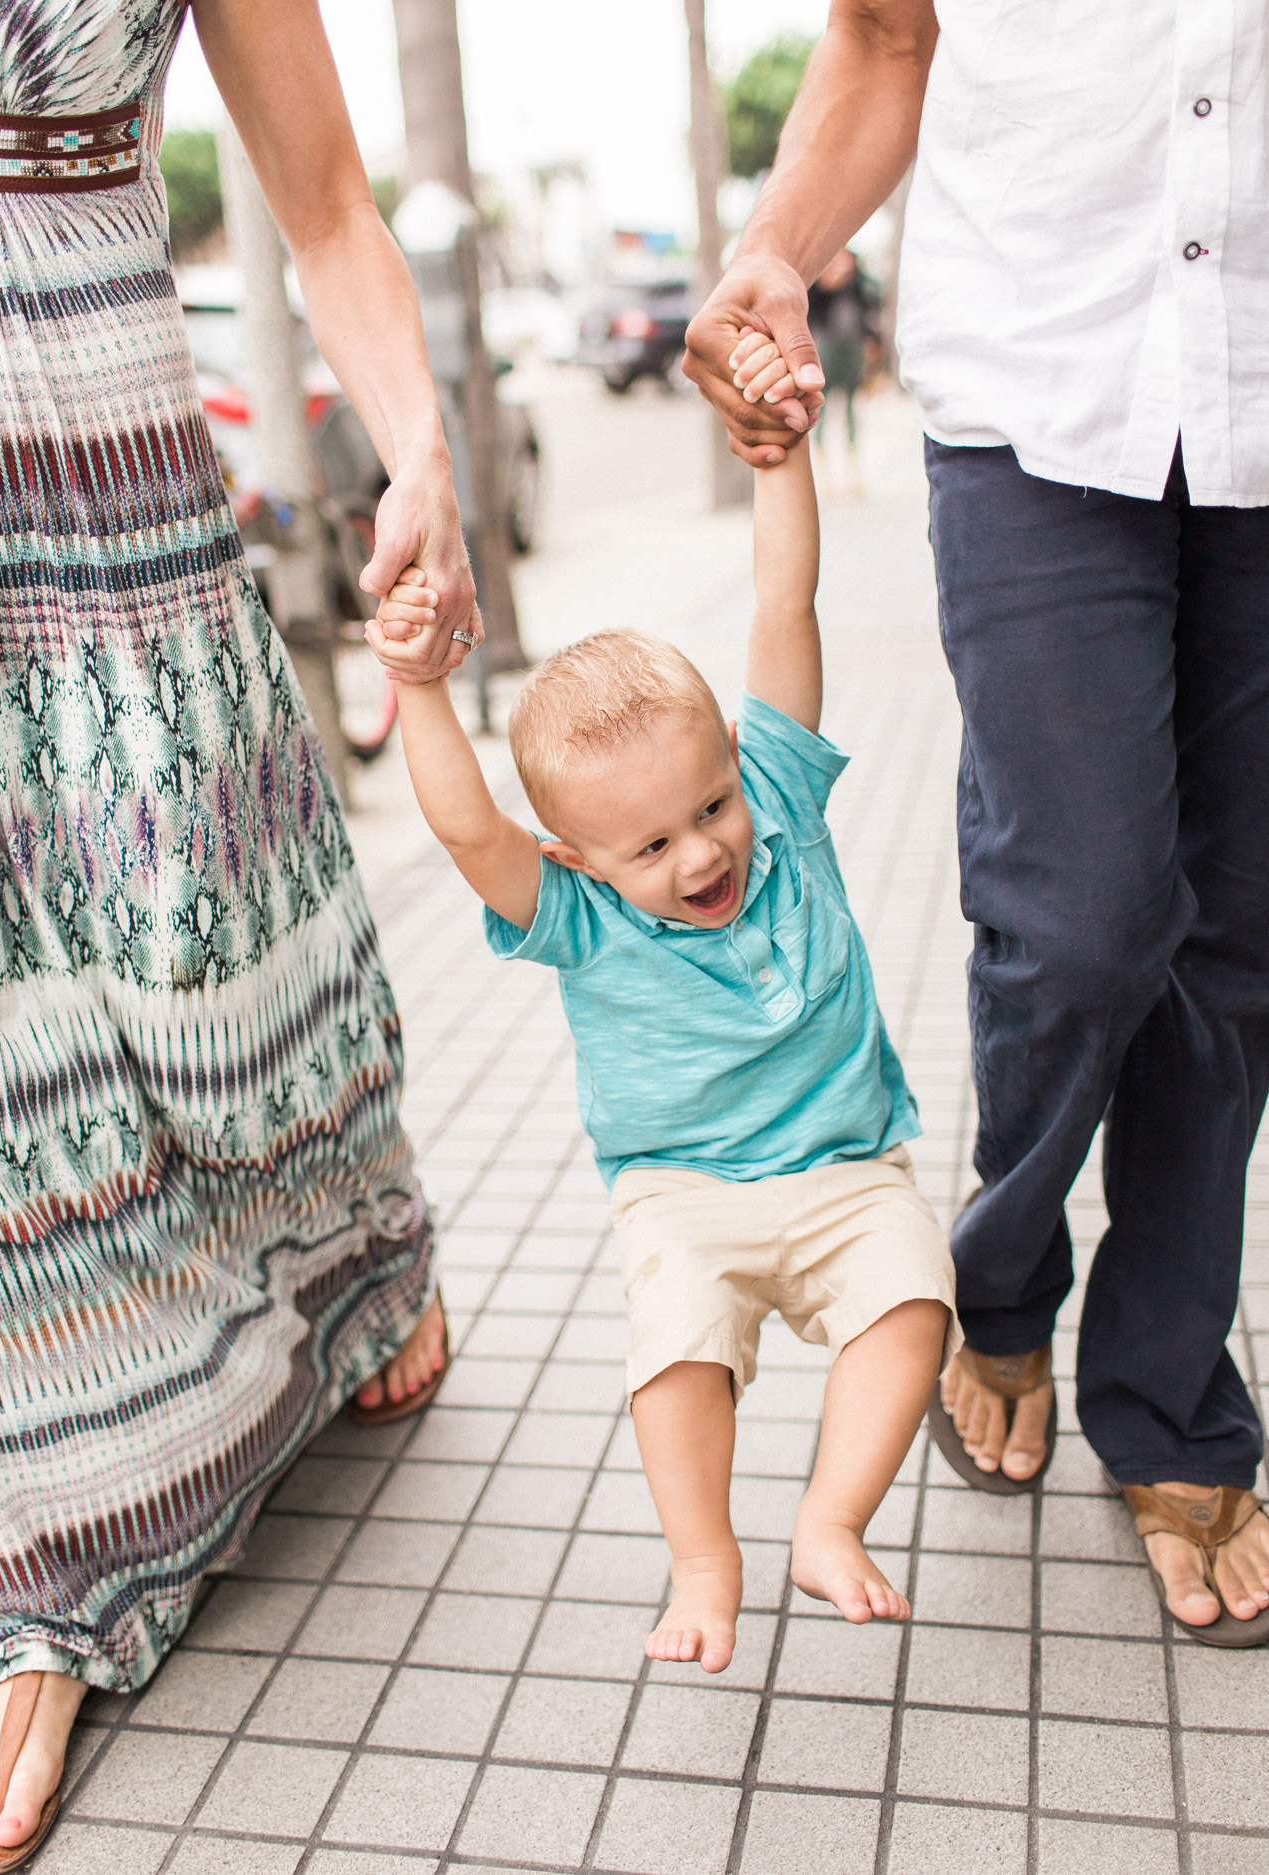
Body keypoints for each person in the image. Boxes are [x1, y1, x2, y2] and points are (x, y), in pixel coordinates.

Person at [0, 1, 473, 1866]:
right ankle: (37, 1582)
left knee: (208, 961)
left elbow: (324, 200)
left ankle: (359, 1247)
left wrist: (422, 459)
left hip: (100, 466)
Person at [684, 0, 1269, 1646]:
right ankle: (998, 1282)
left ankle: (1164, 1392)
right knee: (1084, 919)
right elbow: (887, 34)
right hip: (1039, 382)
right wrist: (777, 248)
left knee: (1236, 943)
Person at [367, 368, 960, 1672]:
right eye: (646, 842)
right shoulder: (579, 914)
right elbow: (466, 826)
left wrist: (775, 462)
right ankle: (704, 1554)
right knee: (674, 1358)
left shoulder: (781, 804)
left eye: (708, 806)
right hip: (682, 1190)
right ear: (576, 858)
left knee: (913, 1298)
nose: (699, 852)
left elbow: (780, 604)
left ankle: (829, 1516)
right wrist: (416, 682)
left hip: (846, 1169)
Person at [807, 248, 879, 500]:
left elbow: (869, 310)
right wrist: (828, 283)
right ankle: (826, 480)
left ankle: (854, 476)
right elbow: (811, 311)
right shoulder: (817, 281)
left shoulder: (857, 280)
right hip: (826, 352)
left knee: (851, 412)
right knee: (820, 413)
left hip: (851, 351)